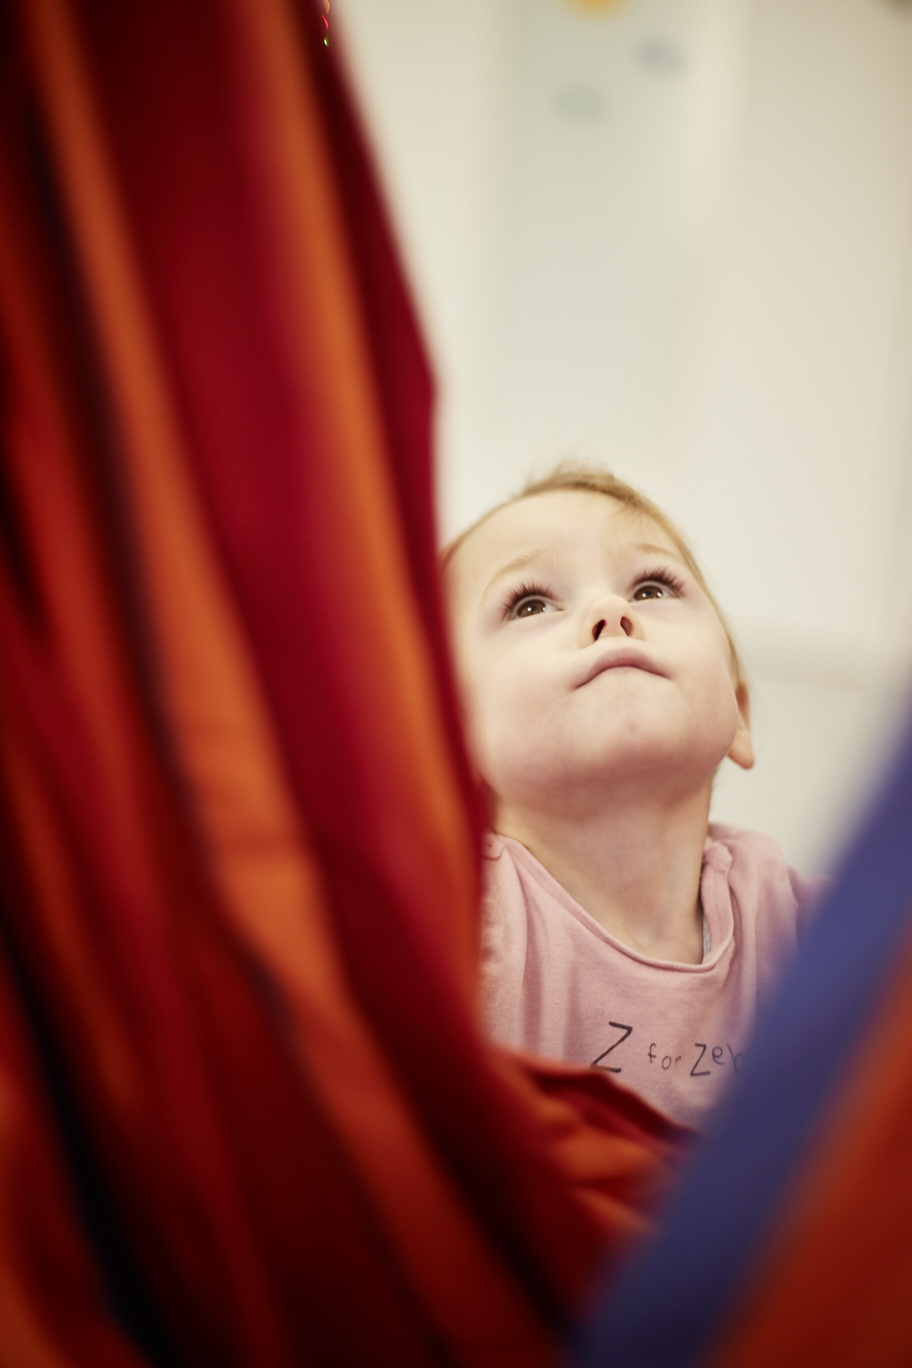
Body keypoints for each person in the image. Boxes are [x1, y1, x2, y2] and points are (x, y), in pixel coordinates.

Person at [443, 465, 822, 1131]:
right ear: (442, 740)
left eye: (650, 588)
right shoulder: (462, 925)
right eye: (531, 604)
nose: (609, 613)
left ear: (738, 715)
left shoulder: (799, 925)